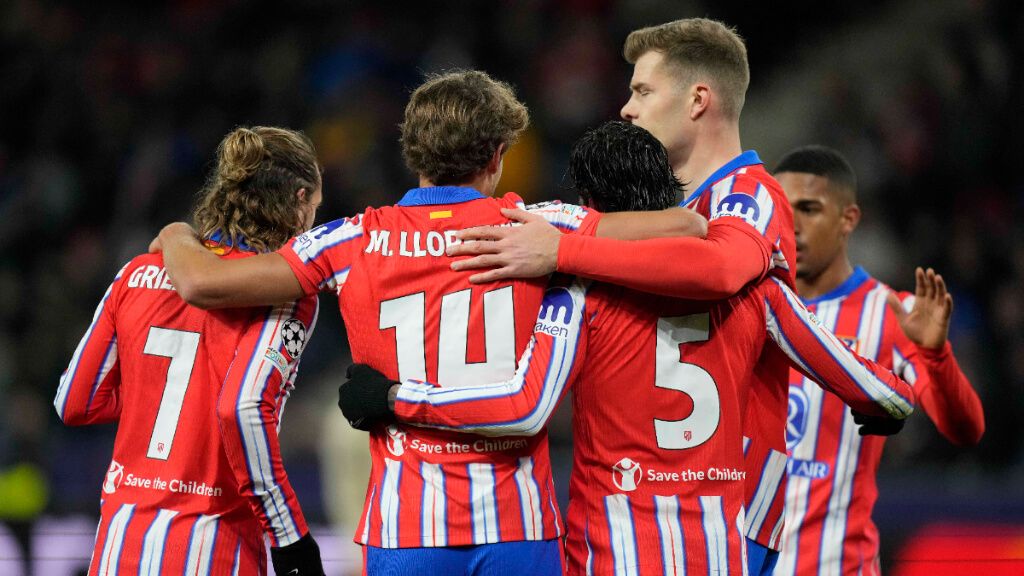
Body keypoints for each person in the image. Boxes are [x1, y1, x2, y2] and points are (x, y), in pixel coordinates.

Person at [153, 71, 706, 575]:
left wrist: (177, 232)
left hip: (405, 530)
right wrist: (563, 248)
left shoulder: (352, 239)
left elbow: (202, 284)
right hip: (519, 527)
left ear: (412, 152)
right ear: (496, 156)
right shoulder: (533, 225)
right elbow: (685, 227)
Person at [339, 121, 916, 575]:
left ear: (589, 204)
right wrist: (888, 401)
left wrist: (396, 398)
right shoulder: (755, 286)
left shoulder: (577, 293)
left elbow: (522, 407)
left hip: (609, 547)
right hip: (716, 546)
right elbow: (869, 384)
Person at [442, 18, 796, 574]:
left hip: (731, 500)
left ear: (699, 99)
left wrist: (562, 252)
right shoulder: (659, 210)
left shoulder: (748, 194)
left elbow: (721, 268)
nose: (628, 108)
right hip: (644, 497)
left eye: (643, 90)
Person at [55, 126, 326, 575]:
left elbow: (74, 402)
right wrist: (289, 536)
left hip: (119, 543)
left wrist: (149, 392)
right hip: (215, 543)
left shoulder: (135, 274)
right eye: (315, 207)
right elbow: (242, 409)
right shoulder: (286, 295)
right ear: (298, 201)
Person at [770, 145, 985, 576]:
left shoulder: (891, 313)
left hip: (836, 565)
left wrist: (935, 355)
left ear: (848, 219)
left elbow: (965, 429)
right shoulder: (756, 305)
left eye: (809, 208)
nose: (791, 224)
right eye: (782, 208)